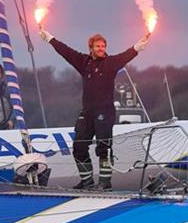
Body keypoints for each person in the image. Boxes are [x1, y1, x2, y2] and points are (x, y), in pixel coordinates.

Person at [40, 27, 149, 189]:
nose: (101, 49)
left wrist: (137, 47)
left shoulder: (110, 63)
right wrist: (49, 38)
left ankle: (105, 182)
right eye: (98, 46)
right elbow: (66, 52)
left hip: (105, 112)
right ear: (91, 47)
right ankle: (87, 180)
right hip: (87, 113)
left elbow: (126, 55)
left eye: (103, 46)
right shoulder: (84, 62)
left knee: (103, 147)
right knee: (79, 147)